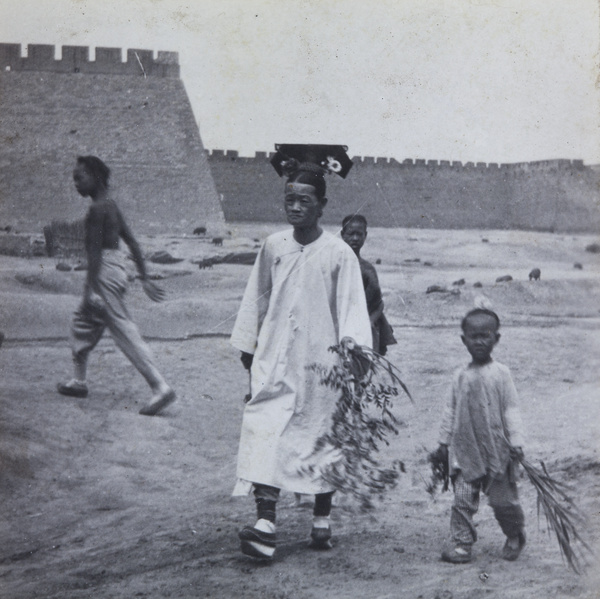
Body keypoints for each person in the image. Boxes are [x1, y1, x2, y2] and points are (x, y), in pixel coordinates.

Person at [230, 144, 372, 559]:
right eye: (289, 199)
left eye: (304, 201)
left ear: (322, 206)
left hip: (320, 364)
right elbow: (256, 300)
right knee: (263, 427)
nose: (295, 207)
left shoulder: (338, 253)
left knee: (319, 433)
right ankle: (265, 522)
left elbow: (350, 307)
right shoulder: (274, 247)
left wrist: (353, 354)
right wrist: (250, 350)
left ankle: (322, 519)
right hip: (275, 358)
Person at [57, 155, 175, 417]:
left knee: (122, 328)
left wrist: (90, 289)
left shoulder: (97, 210)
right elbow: (132, 243)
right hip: (117, 270)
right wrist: (143, 277)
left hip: (104, 274)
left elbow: (95, 254)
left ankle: (160, 386)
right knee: (81, 321)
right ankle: (79, 381)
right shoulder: (111, 206)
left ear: (96, 178)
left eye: (80, 177)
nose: (75, 183)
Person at [435, 308, 526, 564]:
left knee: (502, 501)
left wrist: (517, 442)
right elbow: (449, 410)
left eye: (485, 336)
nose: (479, 341)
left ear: (496, 339)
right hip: (465, 449)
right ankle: (462, 545)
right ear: (463, 340)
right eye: (473, 336)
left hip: (497, 449)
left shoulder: (501, 374)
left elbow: (511, 409)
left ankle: (514, 534)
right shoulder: (460, 376)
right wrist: (443, 443)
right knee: (462, 499)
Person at [341, 214, 397, 356]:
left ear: (365, 236)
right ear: (342, 234)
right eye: (350, 234)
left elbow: (378, 304)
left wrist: (369, 322)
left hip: (362, 326)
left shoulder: (367, 269)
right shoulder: (336, 264)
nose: (355, 238)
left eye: (359, 234)